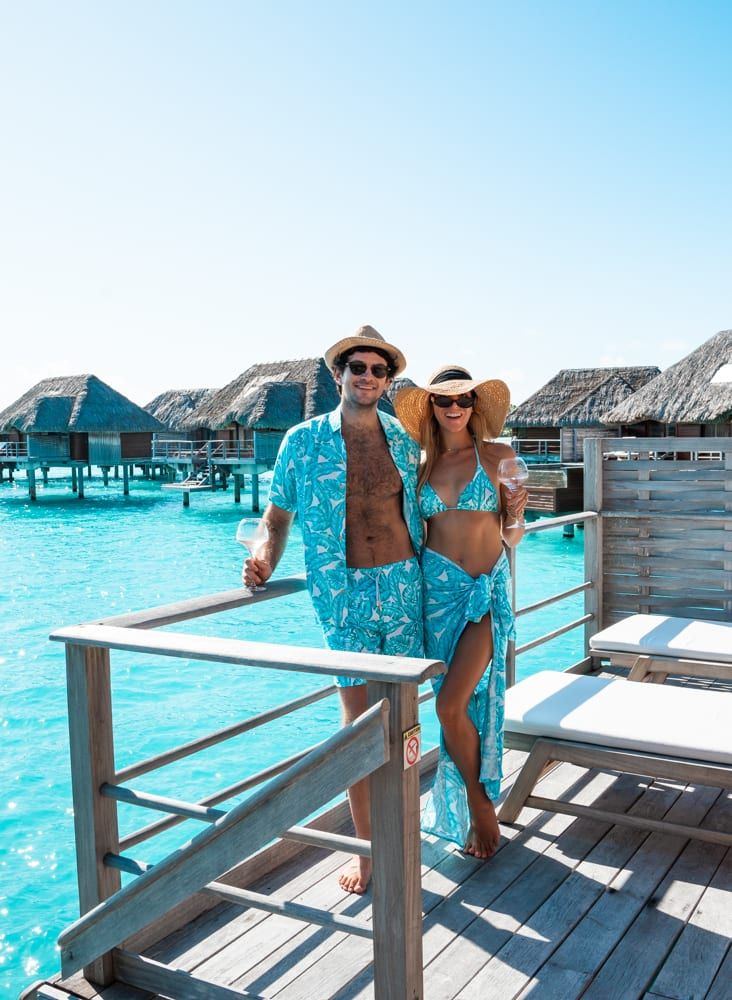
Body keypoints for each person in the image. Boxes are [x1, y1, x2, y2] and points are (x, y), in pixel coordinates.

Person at [243, 325, 424, 894]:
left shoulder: (402, 441)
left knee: (406, 723)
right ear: (338, 374)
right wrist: (263, 558)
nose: (367, 377)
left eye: (378, 370)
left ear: (388, 380)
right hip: (342, 597)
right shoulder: (301, 442)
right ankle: (369, 853)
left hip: (404, 588)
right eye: (358, 368)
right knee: (355, 727)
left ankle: (406, 836)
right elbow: (276, 519)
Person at [394, 365, 527, 859]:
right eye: (444, 401)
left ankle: (480, 806)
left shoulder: (499, 456)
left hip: (484, 594)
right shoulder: (420, 467)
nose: (454, 409)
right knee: (456, 709)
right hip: (436, 599)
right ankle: (477, 810)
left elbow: (511, 535)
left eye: (464, 400)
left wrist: (516, 513)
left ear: (475, 406)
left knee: (450, 706)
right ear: (431, 407)